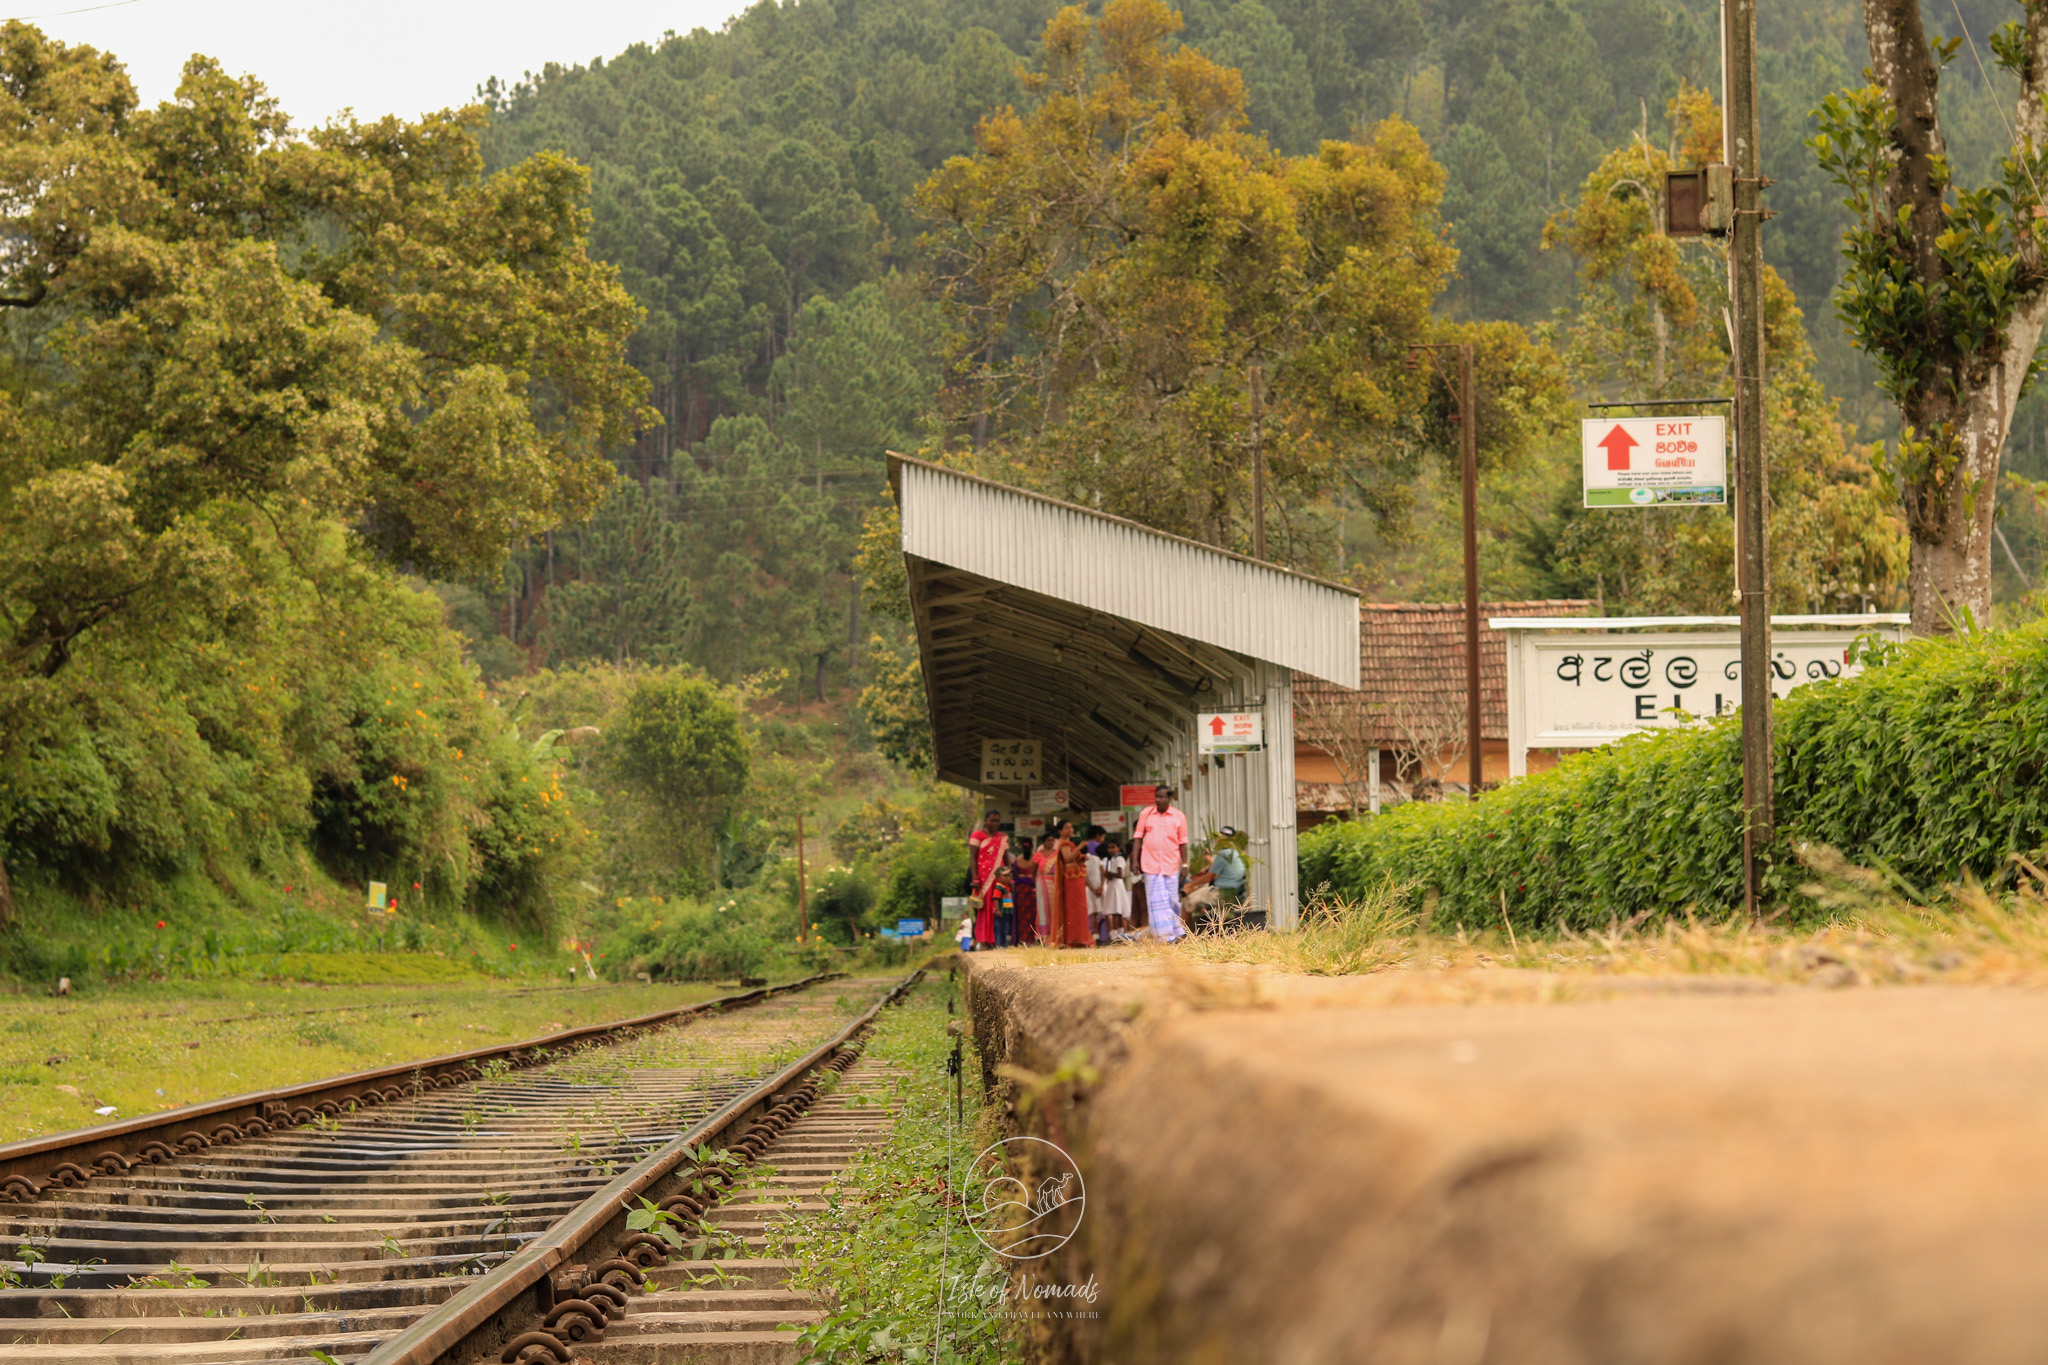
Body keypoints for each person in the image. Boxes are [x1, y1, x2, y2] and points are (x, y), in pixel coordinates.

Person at [1132, 785, 1189, 943]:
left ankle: (1176, 929)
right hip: (1150, 865)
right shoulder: (1146, 814)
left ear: (1169, 798)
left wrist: (1185, 865)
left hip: (1171, 865)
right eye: (1156, 796)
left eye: (1162, 797)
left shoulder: (1179, 817)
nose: (1158, 800)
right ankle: (1165, 937)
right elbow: (1137, 838)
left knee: (1172, 900)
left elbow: (1183, 842)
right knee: (1156, 901)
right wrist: (1134, 860)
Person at [1183, 826, 1249, 932]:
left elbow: (1209, 877)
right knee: (1198, 890)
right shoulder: (1239, 854)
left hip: (1222, 893)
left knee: (1188, 897)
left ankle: (1183, 932)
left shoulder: (1224, 853)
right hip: (1236, 892)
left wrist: (1190, 885)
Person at [969, 811, 1008, 950]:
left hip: (999, 878)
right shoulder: (977, 836)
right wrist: (975, 877)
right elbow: (972, 857)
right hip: (983, 878)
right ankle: (984, 939)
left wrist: (1008, 876)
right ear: (986, 821)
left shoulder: (1003, 838)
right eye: (992, 820)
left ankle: (998, 939)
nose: (995, 823)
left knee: (999, 907)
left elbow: (1006, 858)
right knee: (984, 908)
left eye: (997, 821)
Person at [1056, 819, 1091, 947]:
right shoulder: (1064, 843)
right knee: (1074, 908)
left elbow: (1073, 857)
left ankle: (1080, 938)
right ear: (1060, 831)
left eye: (1071, 827)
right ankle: (1075, 939)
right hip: (1071, 878)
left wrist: (1081, 856)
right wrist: (1080, 847)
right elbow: (1068, 858)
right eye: (1066, 828)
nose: (1070, 830)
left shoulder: (1068, 843)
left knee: (1079, 908)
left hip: (1076, 877)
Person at [1099, 837, 1133, 941]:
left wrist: (1107, 873)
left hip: (1117, 886)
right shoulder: (1112, 859)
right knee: (1114, 910)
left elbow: (1120, 874)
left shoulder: (1119, 858)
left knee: (1117, 910)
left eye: (1113, 847)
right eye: (1109, 847)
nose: (1110, 850)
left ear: (1119, 848)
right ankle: (1115, 933)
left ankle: (1120, 933)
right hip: (1112, 885)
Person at [1010, 849, 1038, 945]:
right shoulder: (1018, 860)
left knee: (1032, 914)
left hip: (1027, 890)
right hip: (1023, 891)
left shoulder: (1018, 860)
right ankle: (1025, 939)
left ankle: (1029, 939)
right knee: (1024, 915)